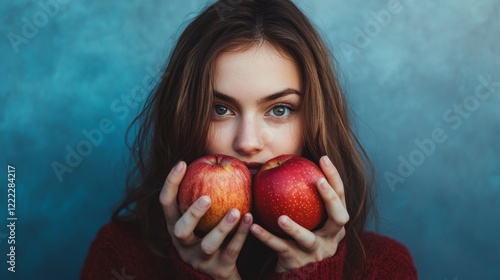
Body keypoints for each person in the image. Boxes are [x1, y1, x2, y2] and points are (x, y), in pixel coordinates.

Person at [81, 0, 417, 279]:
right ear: (184, 117)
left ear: (315, 120)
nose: (248, 142)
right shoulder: (121, 258)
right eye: (221, 109)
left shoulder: (383, 267)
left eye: (280, 109)